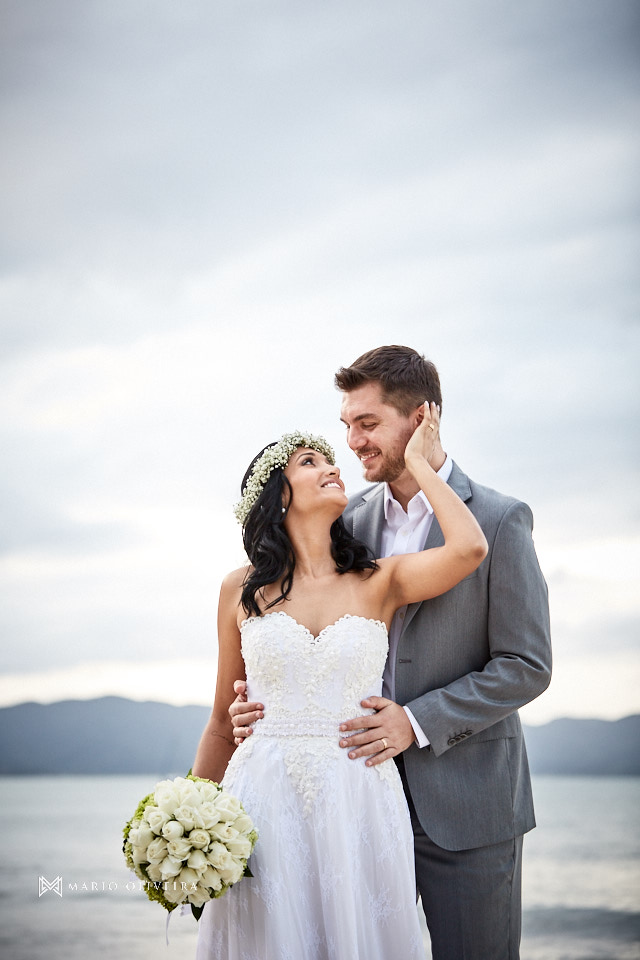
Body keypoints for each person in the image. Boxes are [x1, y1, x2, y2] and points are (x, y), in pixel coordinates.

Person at [230, 345, 552, 960]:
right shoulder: (343, 519)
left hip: (463, 803)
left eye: (368, 423)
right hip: (348, 802)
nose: (351, 442)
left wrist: (416, 721)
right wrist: (263, 696)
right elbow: (290, 611)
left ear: (421, 419)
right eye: (346, 424)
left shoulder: (501, 519)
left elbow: (527, 666)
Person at [192, 406, 487, 960]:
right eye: (310, 461)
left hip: (359, 797)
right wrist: (189, 826)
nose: (332, 465)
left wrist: (421, 464)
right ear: (279, 493)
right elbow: (218, 723)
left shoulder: (381, 579)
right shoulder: (239, 590)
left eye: (332, 460)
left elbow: (469, 549)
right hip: (262, 797)